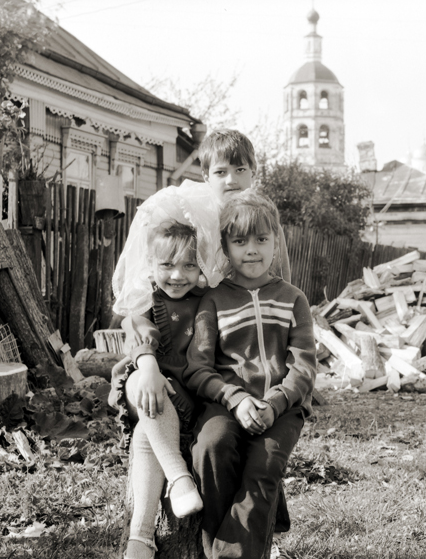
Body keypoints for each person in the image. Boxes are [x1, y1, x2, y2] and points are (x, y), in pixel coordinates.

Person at [179, 190, 317, 559]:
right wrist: (235, 399)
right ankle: (233, 545)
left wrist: (274, 403)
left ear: (276, 243)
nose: (252, 250)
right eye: (240, 241)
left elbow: (304, 367)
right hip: (226, 404)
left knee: (263, 467)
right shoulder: (214, 300)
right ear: (225, 247)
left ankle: (227, 556)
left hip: (282, 409)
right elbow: (198, 367)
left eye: (261, 240)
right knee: (212, 448)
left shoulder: (292, 298)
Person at [108, 184, 225, 559]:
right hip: (146, 377)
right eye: (167, 265)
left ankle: (140, 537)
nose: (178, 275)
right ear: (151, 266)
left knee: (149, 424)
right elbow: (140, 332)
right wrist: (147, 366)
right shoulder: (146, 298)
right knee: (149, 391)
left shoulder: (206, 301)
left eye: (189, 265)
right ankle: (178, 477)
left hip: (184, 390)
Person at [196, 128, 292, 284]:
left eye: (240, 170)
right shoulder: (201, 223)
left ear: (253, 173)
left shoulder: (266, 222)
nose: (231, 180)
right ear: (207, 177)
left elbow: (282, 278)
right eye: (221, 172)